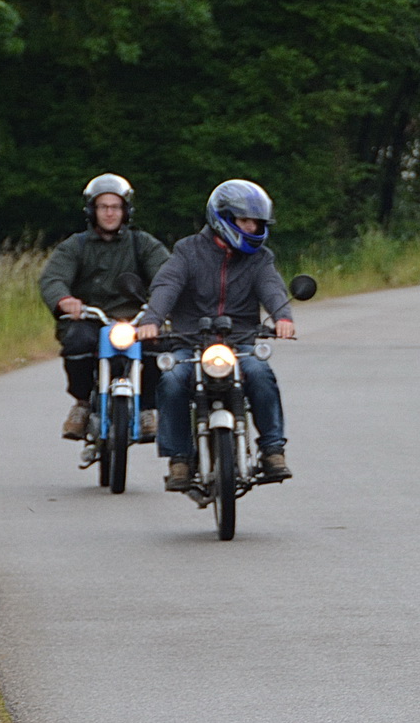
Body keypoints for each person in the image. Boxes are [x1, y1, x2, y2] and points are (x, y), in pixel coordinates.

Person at [134, 179, 297, 489]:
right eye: (244, 220)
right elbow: (167, 285)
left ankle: (273, 450)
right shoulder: (187, 250)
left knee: (260, 373)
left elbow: (272, 288)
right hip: (190, 341)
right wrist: (152, 319)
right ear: (222, 217)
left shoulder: (260, 258)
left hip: (240, 342)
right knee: (171, 380)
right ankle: (179, 457)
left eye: (256, 222)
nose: (251, 227)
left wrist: (283, 317)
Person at [38, 174, 171, 440]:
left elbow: (167, 275)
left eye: (115, 207)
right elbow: (53, 278)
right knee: (77, 342)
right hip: (90, 318)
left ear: (126, 210)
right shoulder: (75, 246)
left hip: (136, 319)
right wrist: (65, 300)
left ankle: (147, 408)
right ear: (92, 210)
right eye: (103, 207)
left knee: (159, 343)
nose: (109, 213)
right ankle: (83, 404)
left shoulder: (142, 243)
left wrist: (159, 304)